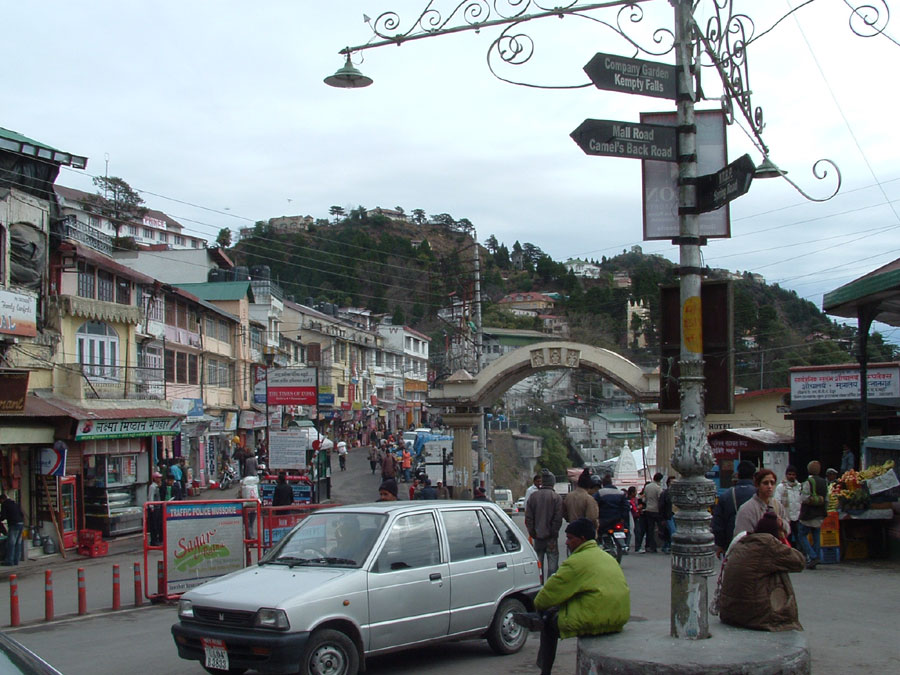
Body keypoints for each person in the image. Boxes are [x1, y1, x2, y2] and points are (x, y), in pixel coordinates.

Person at [513, 518, 630, 675]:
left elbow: (546, 597)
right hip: (619, 616)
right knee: (565, 603)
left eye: (570, 538)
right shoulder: (607, 557)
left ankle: (544, 670)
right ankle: (538, 619)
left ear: (582, 539)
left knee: (549, 622)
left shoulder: (576, 562)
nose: (566, 542)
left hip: (598, 618)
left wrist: (539, 607)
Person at [718, 512, 806, 632]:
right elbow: (799, 562)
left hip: (730, 612)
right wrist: (782, 537)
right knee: (779, 570)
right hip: (754, 616)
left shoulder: (744, 542)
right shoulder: (768, 544)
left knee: (772, 566)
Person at [712, 460, 757, 556]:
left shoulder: (726, 496)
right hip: (756, 544)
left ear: (738, 475)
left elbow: (718, 523)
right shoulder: (759, 495)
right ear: (754, 476)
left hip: (732, 544)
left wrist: (720, 545)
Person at [525, 469, 564, 581]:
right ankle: (551, 587)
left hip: (538, 537)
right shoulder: (556, 498)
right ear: (552, 482)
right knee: (552, 565)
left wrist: (532, 532)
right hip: (551, 538)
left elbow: (529, 517)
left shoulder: (533, 496)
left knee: (538, 564)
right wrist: (553, 532)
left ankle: (538, 585)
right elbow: (558, 519)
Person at [734, 468, 788, 543]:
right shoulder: (746, 509)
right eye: (765, 483)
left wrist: (781, 524)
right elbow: (742, 538)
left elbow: (788, 529)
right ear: (757, 485)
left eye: (772, 483)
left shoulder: (778, 505)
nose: (769, 486)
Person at [798, 461, 827, 570]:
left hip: (808, 514)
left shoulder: (808, 482)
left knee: (802, 535)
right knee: (816, 535)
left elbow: (804, 498)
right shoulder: (824, 482)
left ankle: (813, 556)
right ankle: (815, 557)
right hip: (820, 514)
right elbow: (827, 499)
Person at [774, 465, 802, 548]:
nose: (791, 476)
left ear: (795, 475)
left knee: (799, 538)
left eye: (793, 474)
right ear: (786, 475)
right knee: (787, 538)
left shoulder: (800, 486)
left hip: (798, 517)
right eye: (789, 474)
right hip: (786, 517)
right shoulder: (781, 487)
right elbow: (777, 501)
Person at [594, 474, 630, 540]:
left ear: (603, 484)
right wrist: (623, 517)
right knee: (625, 531)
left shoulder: (599, 493)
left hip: (604, 521)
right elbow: (626, 507)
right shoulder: (621, 493)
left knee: (599, 535)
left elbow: (594, 505)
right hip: (618, 520)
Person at [564, 468, 599, 533]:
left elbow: (564, 512)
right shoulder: (589, 499)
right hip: (584, 532)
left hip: (572, 529)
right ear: (589, 485)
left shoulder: (568, 496)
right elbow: (592, 517)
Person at [640, 472, 664, 553]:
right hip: (656, 510)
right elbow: (660, 500)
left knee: (650, 529)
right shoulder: (658, 488)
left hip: (648, 509)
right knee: (660, 528)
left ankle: (650, 546)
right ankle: (660, 544)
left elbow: (644, 499)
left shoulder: (647, 486)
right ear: (660, 479)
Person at [0, 494, 25, 566]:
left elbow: (3, 517)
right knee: (18, 543)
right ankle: (16, 560)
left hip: (13, 524)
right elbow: (22, 514)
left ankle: (9, 561)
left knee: (11, 543)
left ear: (2, 499)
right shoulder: (14, 503)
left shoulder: (4, 504)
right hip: (21, 523)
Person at [147, 472, 164, 546]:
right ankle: (153, 540)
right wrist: (151, 507)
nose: (160, 479)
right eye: (158, 477)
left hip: (158, 507)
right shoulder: (152, 487)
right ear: (154, 478)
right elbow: (150, 497)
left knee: (158, 524)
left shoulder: (157, 486)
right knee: (154, 525)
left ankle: (157, 539)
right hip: (154, 508)